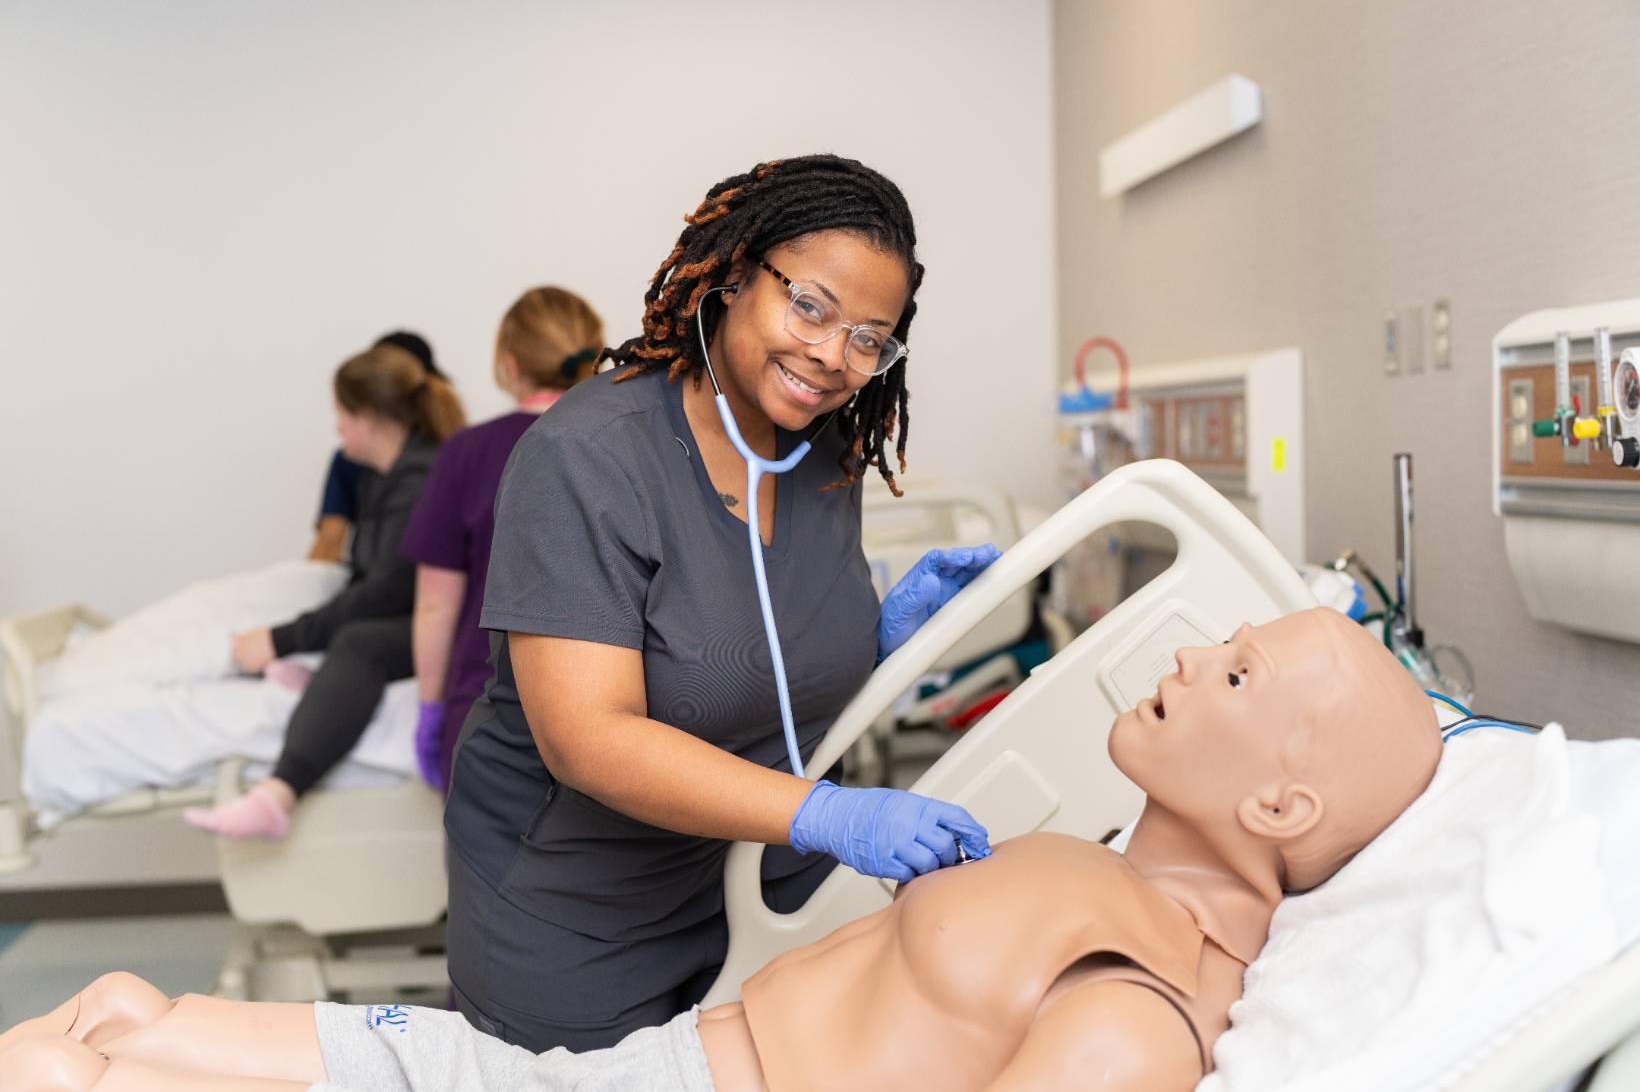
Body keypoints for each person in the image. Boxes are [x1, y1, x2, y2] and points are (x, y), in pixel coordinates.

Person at [0, 608, 1444, 1091]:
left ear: (1281, 811)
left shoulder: (1144, 1003)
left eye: (1242, 677)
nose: (1195, 650)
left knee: (87, 1068)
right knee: (126, 1010)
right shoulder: (1107, 872)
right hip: (636, 1066)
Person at [444, 154, 999, 1053]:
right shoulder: (586, 458)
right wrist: (830, 813)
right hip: (580, 919)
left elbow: (768, 665)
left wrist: (884, 639)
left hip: (766, 901)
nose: (833, 356)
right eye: (810, 305)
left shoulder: (822, 459)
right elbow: (588, 736)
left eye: (871, 337)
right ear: (736, 274)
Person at [184, 342, 466, 839]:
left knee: (361, 642)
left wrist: (281, 639)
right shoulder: (391, 480)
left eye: (340, 413)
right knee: (346, 632)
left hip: (457, 625)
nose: (336, 427)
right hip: (419, 615)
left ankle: (279, 793)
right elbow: (369, 584)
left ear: (370, 417)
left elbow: (387, 594)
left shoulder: (419, 481)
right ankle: (319, 680)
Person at [400, 287, 605, 791]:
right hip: (614, 720)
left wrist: (430, 710)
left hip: (487, 712)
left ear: (509, 364)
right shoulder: (629, 444)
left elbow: (434, 607)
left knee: (488, 868)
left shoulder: (467, 453)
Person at [307, 331, 442, 563]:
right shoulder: (355, 464)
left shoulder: (427, 472)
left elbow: (390, 583)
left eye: (343, 412)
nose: (339, 427)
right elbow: (329, 544)